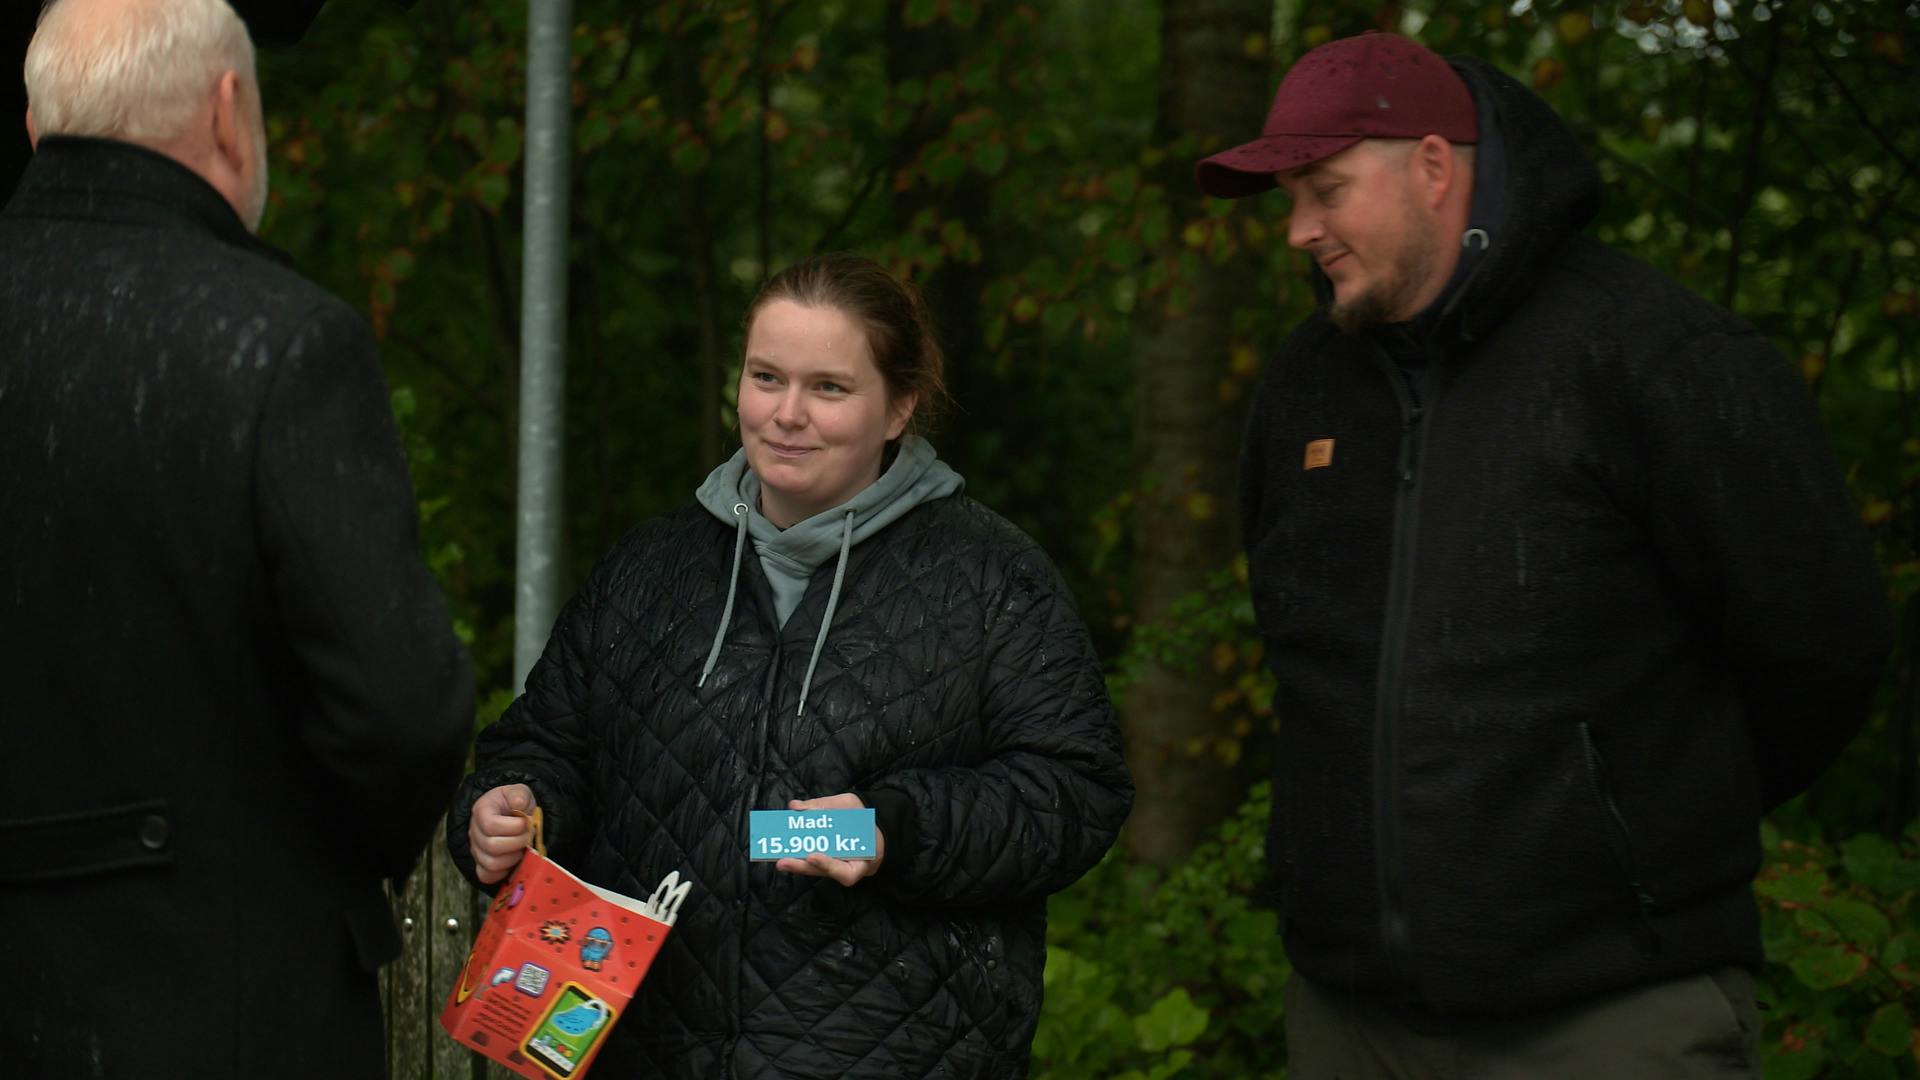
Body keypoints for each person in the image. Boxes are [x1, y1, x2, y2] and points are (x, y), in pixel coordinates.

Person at [1195, 30, 1891, 1078]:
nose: (1298, 230)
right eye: (1290, 198)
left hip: (1609, 1017)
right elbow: (1309, 666)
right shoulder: (1303, 392)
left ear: (1433, 167)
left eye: (1326, 190)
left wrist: (1631, 824)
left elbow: (1821, 652)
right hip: (1348, 1022)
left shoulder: (1659, 360)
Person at [449, 252, 1133, 1079]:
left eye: (829, 388)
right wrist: (509, 809)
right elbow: (546, 745)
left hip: (893, 1055)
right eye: (766, 377)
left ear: (900, 408)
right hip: (651, 1052)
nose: (787, 414)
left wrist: (894, 828)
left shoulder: (994, 580)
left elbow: (1076, 792)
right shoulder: (649, 571)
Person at [0, 1, 474, 1076]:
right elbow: (400, 710)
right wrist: (311, 868)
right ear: (229, 112)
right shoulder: (278, 344)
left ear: (37, 124)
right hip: (221, 1002)